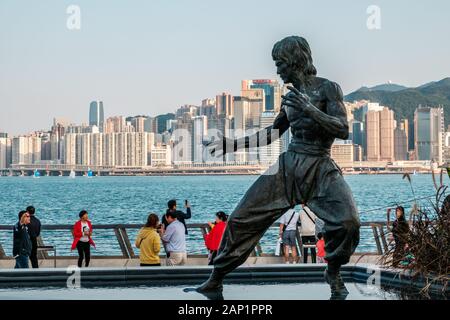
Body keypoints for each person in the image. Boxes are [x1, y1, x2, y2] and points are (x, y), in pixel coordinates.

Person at [198, 36, 360, 297]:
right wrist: (232, 144)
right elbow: (272, 133)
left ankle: (333, 270)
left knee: (348, 222)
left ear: (295, 60)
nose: (278, 70)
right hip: (289, 166)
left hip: (320, 166)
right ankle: (216, 277)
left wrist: (309, 108)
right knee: (241, 218)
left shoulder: (328, 89)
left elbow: (342, 129)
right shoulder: (289, 96)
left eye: (280, 63)